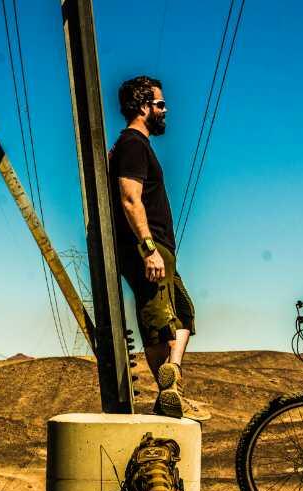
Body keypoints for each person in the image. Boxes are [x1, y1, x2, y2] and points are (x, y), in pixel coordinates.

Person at [109, 75, 210, 421]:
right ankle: (168, 391)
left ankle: (173, 379)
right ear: (143, 107)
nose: (165, 110)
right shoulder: (133, 145)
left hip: (161, 249)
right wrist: (148, 248)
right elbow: (129, 199)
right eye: (160, 104)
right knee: (158, 325)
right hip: (149, 248)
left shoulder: (135, 146)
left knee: (183, 315)